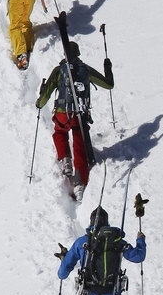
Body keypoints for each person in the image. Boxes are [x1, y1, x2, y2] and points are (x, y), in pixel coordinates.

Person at [36, 41, 113, 190]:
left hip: (62, 113)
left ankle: (66, 160)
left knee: (60, 132)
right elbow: (108, 85)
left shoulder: (59, 70)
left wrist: (39, 103)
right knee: (79, 144)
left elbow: (47, 94)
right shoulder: (86, 70)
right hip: (79, 114)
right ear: (78, 54)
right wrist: (107, 68)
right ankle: (80, 183)